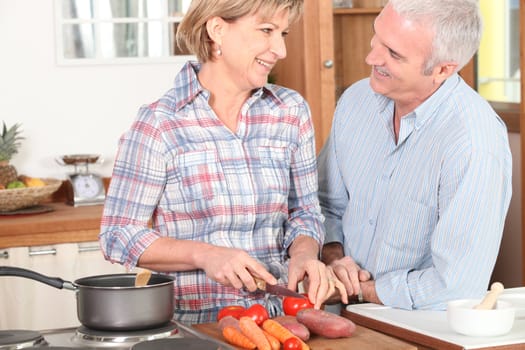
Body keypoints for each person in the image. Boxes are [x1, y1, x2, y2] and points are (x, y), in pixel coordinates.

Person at [99, 0, 346, 324]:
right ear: (217, 30)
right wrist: (205, 254)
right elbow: (117, 234)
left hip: (282, 323)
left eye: (283, 33)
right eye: (267, 31)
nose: (281, 49)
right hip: (197, 328)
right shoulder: (160, 123)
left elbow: (305, 211)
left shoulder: (289, 111)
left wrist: (304, 254)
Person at [318, 0, 512, 311]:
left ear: (443, 69)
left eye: (393, 54)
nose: (371, 57)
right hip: (337, 315)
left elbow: (457, 284)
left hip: (415, 329)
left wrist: (362, 290)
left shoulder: (473, 142)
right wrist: (335, 257)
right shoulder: (355, 101)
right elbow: (325, 204)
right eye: (376, 37)